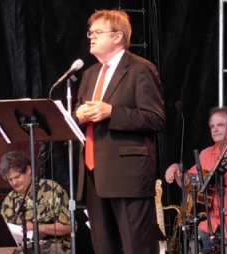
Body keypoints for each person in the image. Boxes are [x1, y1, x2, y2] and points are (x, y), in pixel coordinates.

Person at [73, 9, 165, 254]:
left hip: (128, 175)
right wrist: (78, 116)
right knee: (103, 247)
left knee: (138, 247)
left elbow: (155, 119)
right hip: (94, 173)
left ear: (117, 36)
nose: (90, 37)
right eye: (90, 32)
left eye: (97, 32)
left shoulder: (140, 69)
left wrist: (111, 112)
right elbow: (79, 114)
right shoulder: (90, 73)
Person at [165, 107, 227, 253]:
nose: (215, 129)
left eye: (220, 125)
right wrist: (176, 168)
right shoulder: (206, 154)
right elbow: (188, 184)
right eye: (212, 126)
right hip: (209, 222)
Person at [0, 151, 71, 254]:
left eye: (17, 177)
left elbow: (70, 227)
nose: (14, 183)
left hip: (52, 246)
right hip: (21, 247)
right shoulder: (9, 199)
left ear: (28, 170)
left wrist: (37, 228)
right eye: (10, 179)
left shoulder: (52, 189)